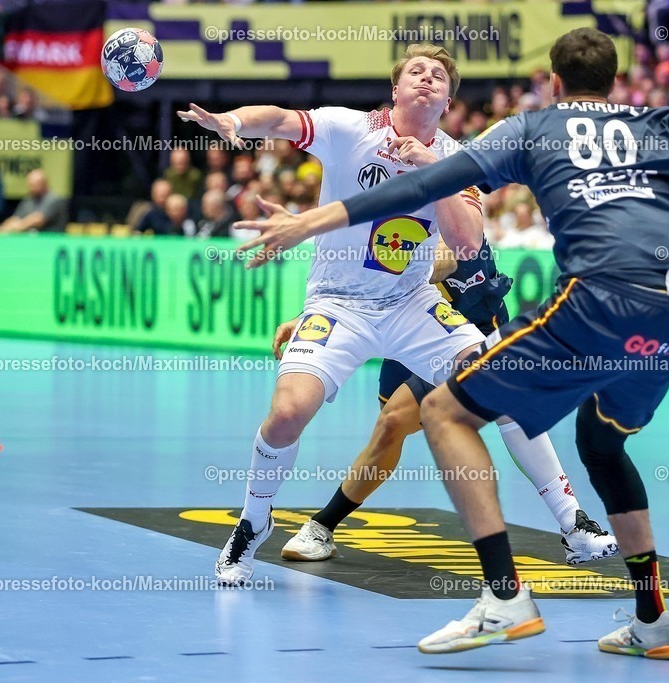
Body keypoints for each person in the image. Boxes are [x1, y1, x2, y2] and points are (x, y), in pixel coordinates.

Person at [232, 28, 669, 656]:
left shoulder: (531, 127)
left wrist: (312, 220)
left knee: (443, 411)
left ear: (553, 81)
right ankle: (653, 618)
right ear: (618, 82)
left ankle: (505, 596)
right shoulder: (666, 123)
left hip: (596, 302)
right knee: (602, 443)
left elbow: (423, 188)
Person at [178, 43, 617, 588]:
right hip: (339, 304)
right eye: (417, 71)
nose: (427, 79)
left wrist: (438, 170)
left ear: (449, 99)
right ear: (395, 88)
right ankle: (253, 521)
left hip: (412, 303)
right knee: (289, 412)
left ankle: (573, 524)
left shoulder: (460, 158)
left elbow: (467, 241)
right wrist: (234, 120)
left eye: (438, 75)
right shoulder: (349, 128)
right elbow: (284, 120)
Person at [276, 236, 618, 566]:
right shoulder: (380, 182)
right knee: (391, 427)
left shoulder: (456, 186)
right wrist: (314, 314)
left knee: (507, 401)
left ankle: (575, 525)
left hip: (467, 326)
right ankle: (322, 527)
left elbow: (449, 255)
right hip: (406, 324)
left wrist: (394, 274)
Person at [0, 169, 67, 233]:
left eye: (34, 185)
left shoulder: (54, 199)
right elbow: (16, 217)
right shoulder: (28, 199)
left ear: (44, 184)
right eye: (29, 185)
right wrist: (4, 228)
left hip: (51, 241)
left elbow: (38, 220)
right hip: (31, 241)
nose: (31, 188)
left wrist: (18, 227)